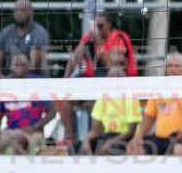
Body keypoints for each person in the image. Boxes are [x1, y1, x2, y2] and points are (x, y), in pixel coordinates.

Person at [58, 11, 137, 144]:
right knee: (62, 99)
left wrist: (99, 43)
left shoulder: (118, 37)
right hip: (93, 79)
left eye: (100, 26)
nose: (97, 29)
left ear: (109, 25)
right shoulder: (90, 37)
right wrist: (66, 81)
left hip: (116, 82)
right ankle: (71, 139)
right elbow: (74, 59)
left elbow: (112, 68)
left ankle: (97, 136)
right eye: (95, 26)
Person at [129, 53, 182, 156]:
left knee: (179, 150)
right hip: (160, 138)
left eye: (177, 66)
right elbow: (149, 116)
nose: (173, 69)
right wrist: (138, 136)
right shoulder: (159, 88)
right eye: (169, 66)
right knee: (135, 149)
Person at [0, 54, 55, 154]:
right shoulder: (6, 85)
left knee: (19, 142)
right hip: (10, 131)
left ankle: (17, 167)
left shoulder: (37, 83)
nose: (19, 67)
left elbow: (52, 111)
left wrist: (35, 127)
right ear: (11, 67)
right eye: (17, 65)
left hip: (33, 133)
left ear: (28, 67)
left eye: (22, 65)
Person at [78, 66, 140, 155]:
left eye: (117, 78)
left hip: (125, 138)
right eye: (111, 78)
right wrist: (86, 140)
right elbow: (96, 130)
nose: (114, 82)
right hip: (107, 136)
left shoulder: (131, 99)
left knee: (112, 148)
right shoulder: (102, 99)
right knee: (79, 147)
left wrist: (111, 142)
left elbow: (130, 132)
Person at [0, 0, 49, 77]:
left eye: (23, 10)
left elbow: (35, 63)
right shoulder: (5, 32)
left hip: (33, 77)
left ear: (31, 12)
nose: (19, 13)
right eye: (16, 10)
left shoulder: (39, 32)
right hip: (9, 77)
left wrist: (18, 69)